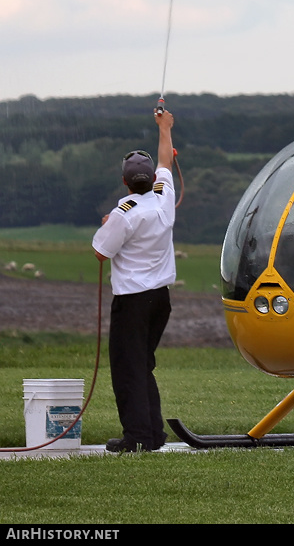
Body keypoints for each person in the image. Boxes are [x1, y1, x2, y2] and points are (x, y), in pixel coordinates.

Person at [92, 109, 177, 452]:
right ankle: (153, 434)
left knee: (128, 369)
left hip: (132, 303)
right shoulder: (163, 200)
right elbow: (166, 165)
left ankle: (138, 438)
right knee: (144, 366)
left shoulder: (122, 213)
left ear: (126, 182)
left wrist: (107, 223)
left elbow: (100, 253)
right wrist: (165, 128)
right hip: (161, 300)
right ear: (150, 179)